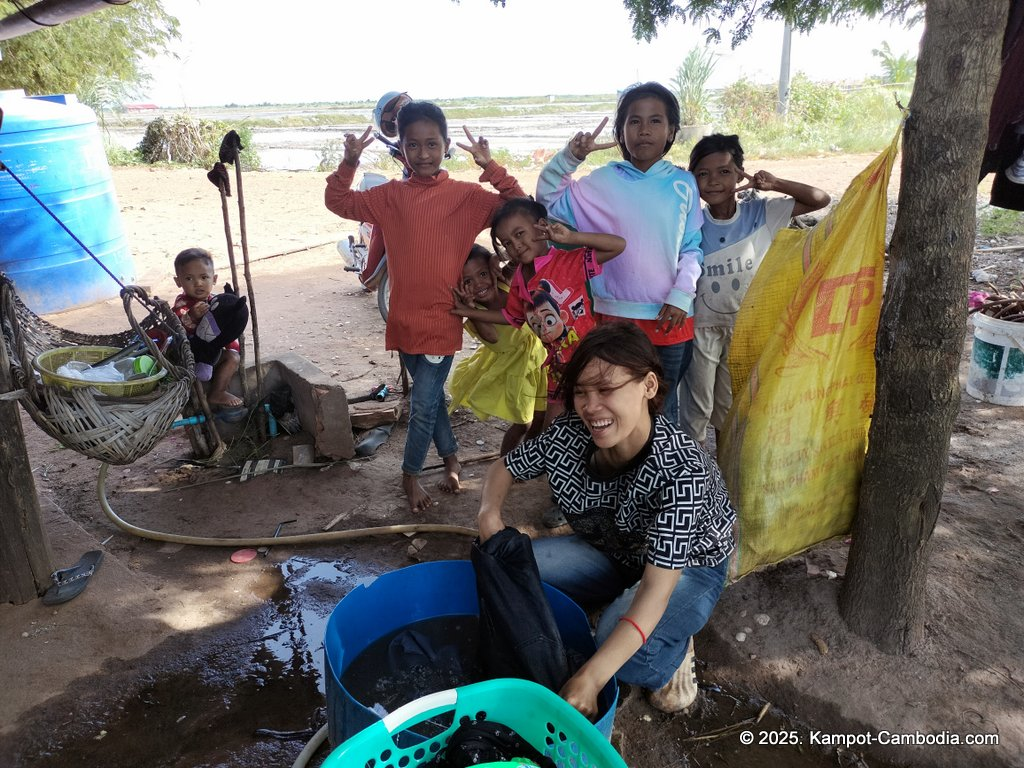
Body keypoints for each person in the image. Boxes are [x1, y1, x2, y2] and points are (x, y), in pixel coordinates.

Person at [476, 321, 735, 717]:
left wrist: (591, 679)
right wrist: (489, 515)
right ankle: (615, 603)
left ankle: (676, 646)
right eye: (581, 392)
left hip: (689, 568)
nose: (590, 407)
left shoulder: (682, 472)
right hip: (613, 548)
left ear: (648, 386)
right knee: (507, 567)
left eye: (606, 389)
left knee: (624, 658)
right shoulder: (569, 434)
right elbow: (505, 468)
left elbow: (654, 592)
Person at [324, 100, 526, 512]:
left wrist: (491, 166)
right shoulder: (389, 197)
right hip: (403, 320)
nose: (423, 154)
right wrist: (349, 162)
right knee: (428, 402)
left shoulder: (468, 197)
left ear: (446, 145)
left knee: (421, 407)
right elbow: (339, 202)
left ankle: (410, 474)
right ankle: (451, 459)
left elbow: (519, 207)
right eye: (412, 145)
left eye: (431, 144)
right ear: (400, 148)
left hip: (442, 320)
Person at [536, 81, 703, 425]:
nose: (644, 130)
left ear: (672, 130)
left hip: (670, 318)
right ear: (621, 131)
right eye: (634, 121)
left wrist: (682, 294)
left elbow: (691, 248)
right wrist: (571, 156)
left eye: (656, 121)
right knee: (617, 411)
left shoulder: (683, 184)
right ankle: (621, 479)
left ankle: (659, 480)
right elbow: (549, 199)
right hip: (614, 320)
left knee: (662, 415)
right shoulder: (602, 181)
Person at [680, 133, 830, 446]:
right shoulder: (690, 222)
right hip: (701, 330)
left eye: (724, 172)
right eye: (702, 174)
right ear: (692, 179)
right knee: (697, 408)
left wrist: (775, 183)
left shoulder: (762, 213)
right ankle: (692, 476)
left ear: (740, 175)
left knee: (728, 408)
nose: (714, 181)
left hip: (743, 330)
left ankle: (723, 477)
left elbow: (820, 199)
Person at [452, 198, 625, 429]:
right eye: (507, 242)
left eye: (520, 234)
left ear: (541, 225)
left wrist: (572, 238)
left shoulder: (567, 262)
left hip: (590, 360)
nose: (516, 245)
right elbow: (511, 318)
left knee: (598, 422)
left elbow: (618, 245)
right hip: (557, 367)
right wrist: (468, 312)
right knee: (551, 431)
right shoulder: (519, 281)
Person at [448, 245, 548, 456]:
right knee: (524, 423)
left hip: (539, 359)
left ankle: (526, 460)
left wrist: (495, 257)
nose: (479, 284)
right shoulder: (476, 314)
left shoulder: (504, 282)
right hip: (516, 369)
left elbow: (518, 254)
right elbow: (492, 337)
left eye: (483, 273)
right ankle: (506, 463)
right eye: (468, 282)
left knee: (541, 418)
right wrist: (471, 310)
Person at [171, 247, 242, 409]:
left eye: (204, 277)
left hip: (213, 353)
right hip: (191, 355)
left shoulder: (217, 301)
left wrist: (233, 346)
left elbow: (227, 329)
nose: (198, 284)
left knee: (233, 358)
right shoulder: (182, 303)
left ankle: (218, 392)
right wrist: (191, 316)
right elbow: (177, 325)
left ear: (214, 278)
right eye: (189, 279)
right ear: (178, 282)